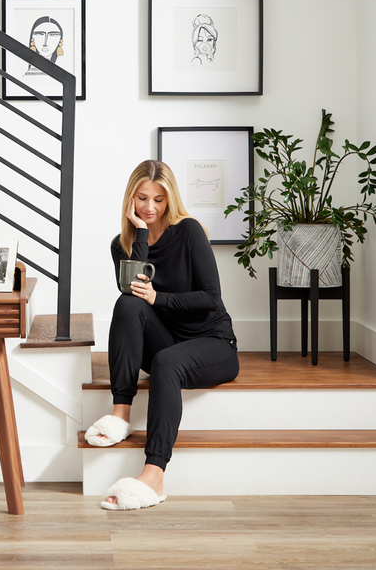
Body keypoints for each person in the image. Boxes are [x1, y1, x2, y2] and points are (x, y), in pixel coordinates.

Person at [85, 160, 239, 510]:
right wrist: (139, 232)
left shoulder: (189, 231)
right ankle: (121, 414)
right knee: (128, 305)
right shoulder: (121, 244)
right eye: (141, 198)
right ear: (130, 199)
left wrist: (160, 298)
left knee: (166, 361)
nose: (150, 208)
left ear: (170, 200)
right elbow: (135, 290)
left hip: (213, 343)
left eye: (158, 200)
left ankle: (153, 474)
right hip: (168, 340)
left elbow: (211, 298)